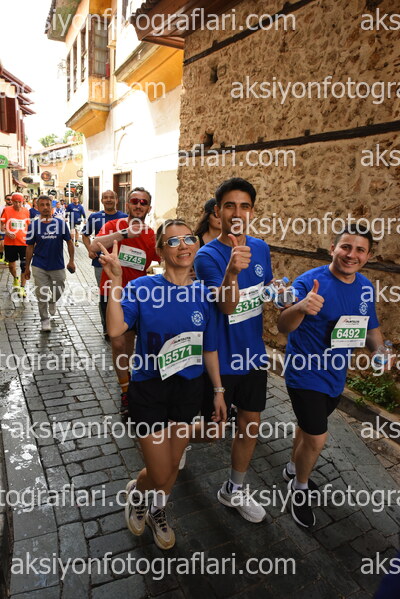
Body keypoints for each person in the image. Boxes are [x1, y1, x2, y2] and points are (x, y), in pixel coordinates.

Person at [99, 219, 226, 550]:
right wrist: (115, 282)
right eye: (173, 241)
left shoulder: (205, 294)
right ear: (160, 250)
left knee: (173, 464)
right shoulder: (143, 288)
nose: (183, 246)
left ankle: (157, 509)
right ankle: (138, 492)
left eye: (189, 239)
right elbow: (116, 330)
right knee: (160, 470)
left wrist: (218, 391)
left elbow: (209, 347)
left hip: (188, 389)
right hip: (150, 390)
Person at [277, 225, 389, 528]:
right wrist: (301, 306)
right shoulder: (309, 281)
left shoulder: (365, 287)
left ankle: (292, 468)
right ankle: (299, 487)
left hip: (335, 376)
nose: (351, 255)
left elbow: (371, 328)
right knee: (317, 437)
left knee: (306, 427)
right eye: (346, 247)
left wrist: (380, 351)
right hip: (304, 373)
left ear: (368, 256)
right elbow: (283, 325)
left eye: (360, 250)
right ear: (332, 248)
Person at [194, 177, 273, 523]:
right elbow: (226, 307)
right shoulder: (207, 256)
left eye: (244, 206)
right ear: (218, 211)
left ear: (252, 211)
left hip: (253, 355)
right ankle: (174, 437)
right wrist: (231, 273)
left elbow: (266, 288)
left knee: (250, 424)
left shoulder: (262, 248)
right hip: (219, 358)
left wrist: (285, 297)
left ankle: (234, 489)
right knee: (213, 431)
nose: (237, 212)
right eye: (230, 205)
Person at [90, 187, 159, 416]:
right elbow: (93, 247)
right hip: (113, 293)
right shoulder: (114, 226)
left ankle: (134, 381)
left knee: (131, 344)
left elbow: (163, 257)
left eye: (143, 202)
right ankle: (126, 390)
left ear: (149, 208)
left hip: (139, 296)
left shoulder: (151, 234)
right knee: (118, 343)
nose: (138, 205)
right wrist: (124, 235)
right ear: (127, 205)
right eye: (134, 201)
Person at [25, 195, 75, 331]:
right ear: (37, 207)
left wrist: (71, 261)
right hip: (39, 264)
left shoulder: (60, 224)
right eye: (42, 205)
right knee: (41, 293)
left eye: (48, 204)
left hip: (57, 264)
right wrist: (27, 267)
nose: (45, 207)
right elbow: (29, 246)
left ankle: (53, 301)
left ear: (51, 206)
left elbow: (69, 242)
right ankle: (44, 319)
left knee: (59, 289)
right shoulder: (33, 225)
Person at [82, 190, 127, 336]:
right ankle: (107, 327)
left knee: (121, 293)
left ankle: (122, 323)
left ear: (116, 200)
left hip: (120, 264)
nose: (108, 200)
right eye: (105, 197)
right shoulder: (95, 217)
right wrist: (90, 249)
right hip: (100, 264)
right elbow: (85, 235)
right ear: (101, 200)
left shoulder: (124, 218)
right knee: (105, 295)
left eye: (111, 197)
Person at [0, 192, 30, 297]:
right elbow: (2, 225)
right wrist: (7, 232)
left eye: (19, 202)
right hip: (10, 243)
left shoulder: (26, 211)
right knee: (12, 266)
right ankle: (15, 278)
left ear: (23, 201)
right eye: (15, 202)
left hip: (24, 243)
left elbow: (28, 225)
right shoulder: (7, 210)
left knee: (24, 265)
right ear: (12, 201)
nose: (17, 204)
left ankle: (22, 288)